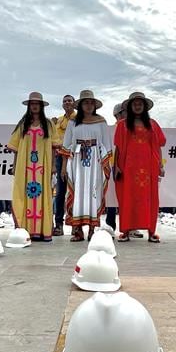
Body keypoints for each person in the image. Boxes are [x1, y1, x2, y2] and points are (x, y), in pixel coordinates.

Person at [59, 89, 112, 242]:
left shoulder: (101, 121)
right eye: (85, 103)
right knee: (77, 193)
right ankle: (77, 230)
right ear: (80, 105)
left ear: (94, 105)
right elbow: (67, 145)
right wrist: (64, 167)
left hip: (95, 160)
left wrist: (104, 164)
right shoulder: (73, 122)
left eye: (91, 103)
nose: (88, 105)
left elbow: (106, 144)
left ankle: (92, 229)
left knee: (93, 192)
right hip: (76, 161)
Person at [114, 91, 167, 243]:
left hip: (148, 167)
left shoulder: (153, 124)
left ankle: (151, 232)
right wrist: (116, 165)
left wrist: (160, 165)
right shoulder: (122, 125)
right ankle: (125, 231)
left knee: (150, 199)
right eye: (135, 104)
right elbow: (118, 147)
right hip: (128, 167)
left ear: (144, 107)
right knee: (127, 198)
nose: (137, 106)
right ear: (130, 107)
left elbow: (158, 146)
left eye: (140, 103)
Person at [7, 92, 55, 241]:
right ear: (29, 106)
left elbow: (54, 147)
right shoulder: (23, 125)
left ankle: (41, 230)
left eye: (37, 103)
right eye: (32, 104)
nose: (34, 106)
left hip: (43, 165)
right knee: (23, 194)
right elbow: (15, 148)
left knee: (43, 194)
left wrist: (53, 165)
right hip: (24, 166)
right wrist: (14, 166)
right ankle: (25, 229)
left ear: (41, 106)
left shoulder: (48, 125)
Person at [52, 94, 75, 236]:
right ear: (62, 104)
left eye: (70, 101)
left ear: (74, 104)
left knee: (75, 192)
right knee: (60, 192)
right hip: (60, 157)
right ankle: (58, 224)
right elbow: (52, 141)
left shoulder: (79, 119)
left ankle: (75, 224)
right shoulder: (58, 121)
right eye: (65, 101)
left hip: (75, 157)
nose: (67, 103)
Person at [105, 101, 125, 231]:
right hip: (112, 165)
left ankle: (130, 226)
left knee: (127, 197)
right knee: (111, 196)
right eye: (125, 113)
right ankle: (110, 226)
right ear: (117, 115)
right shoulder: (110, 130)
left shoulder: (132, 129)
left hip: (128, 165)